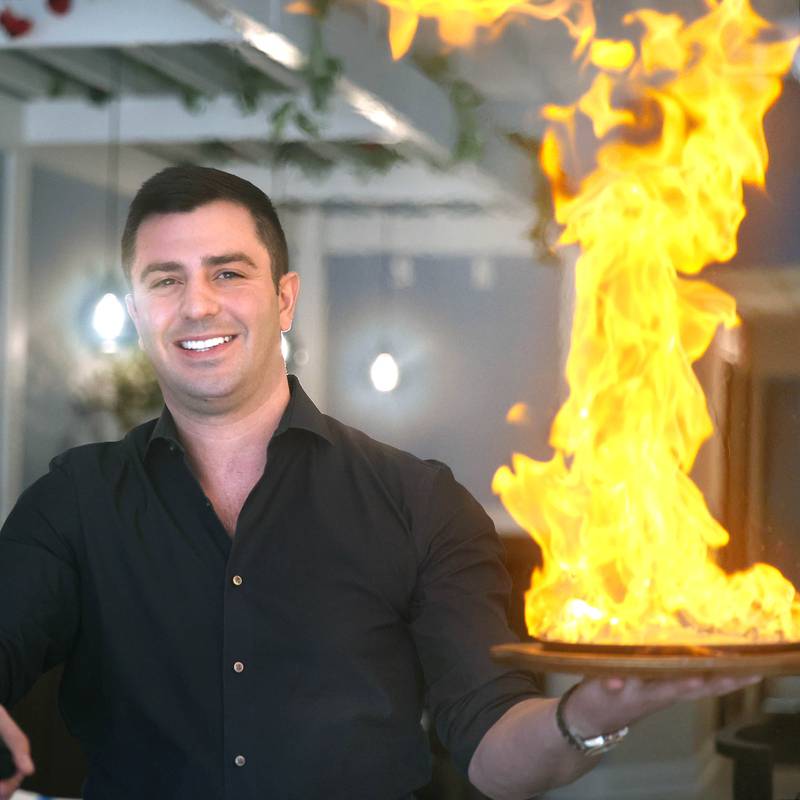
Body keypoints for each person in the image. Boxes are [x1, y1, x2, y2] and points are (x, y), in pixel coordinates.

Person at [0, 166, 759, 800]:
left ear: (284, 298)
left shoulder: (418, 503)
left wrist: (589, 715)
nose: (198, 304)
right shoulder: (74, 500)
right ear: (137, 311)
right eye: (166, 281)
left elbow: (494, 752)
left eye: (228, 273)